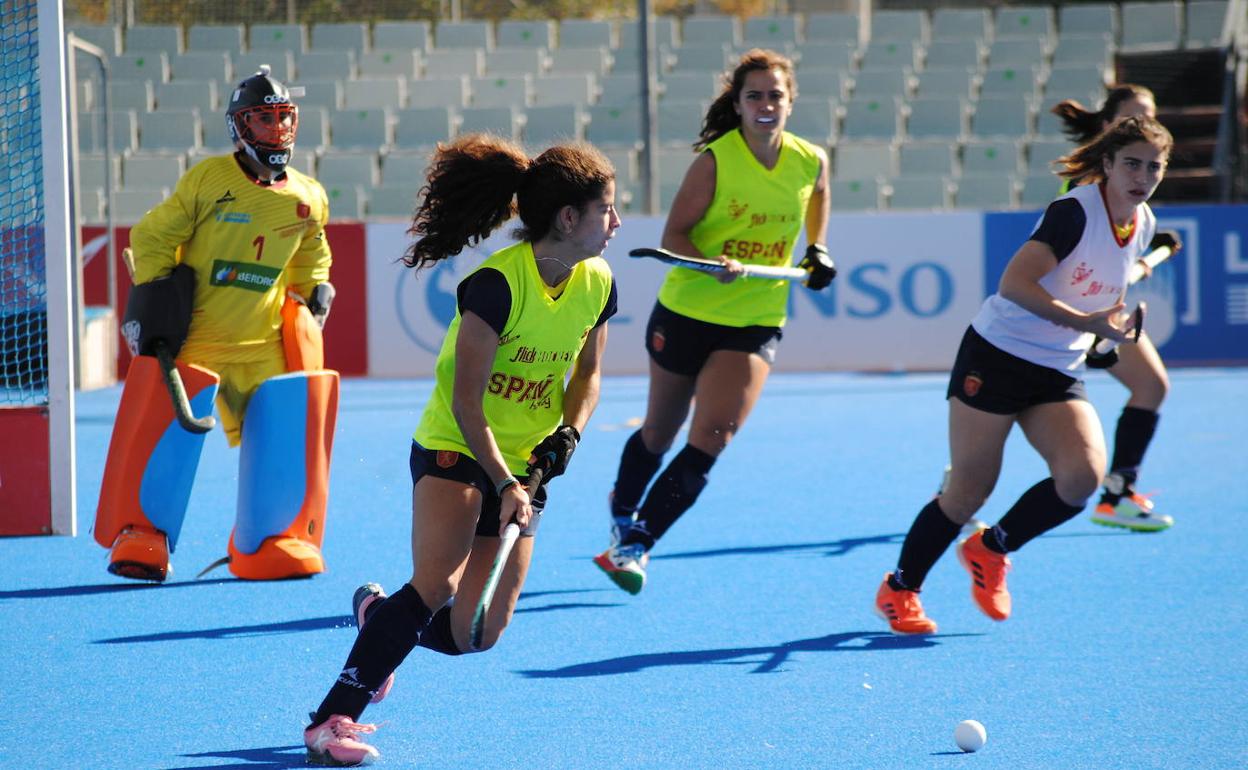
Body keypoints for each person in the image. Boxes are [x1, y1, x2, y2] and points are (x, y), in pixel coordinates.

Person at [302, 134, 620, 766]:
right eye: (607, 208)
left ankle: (381, 620)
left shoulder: (599, 283)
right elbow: (467, 404)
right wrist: (505, 483)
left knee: (478, 632)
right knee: (435, 584)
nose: (615, 222)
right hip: (458, 446)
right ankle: (331, 718)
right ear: (567, 218)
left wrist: (569, 433)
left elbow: (586, 377)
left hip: (526, 465)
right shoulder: (496, 287)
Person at [873, 116, 1174, 634]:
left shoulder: (1142, 222)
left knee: (1080, 479)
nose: (1142, 176)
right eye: (1131, 163)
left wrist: (1107, 331)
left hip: (1057, 367)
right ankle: (900, 589)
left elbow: (1102, 295)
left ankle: (991, 548)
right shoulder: (1073, 213)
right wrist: (1086, 323)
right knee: (968, 491)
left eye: (1154, 166)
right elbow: (1014, 283)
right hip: (998, 355)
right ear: (1106, 164)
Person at [593, 48, 835, 596]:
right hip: (687, 312)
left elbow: (819, 196)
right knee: (660, 432)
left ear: (790, 101)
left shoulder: (810, 160)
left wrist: (818, 247)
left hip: (756, 318)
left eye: (776, 95)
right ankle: (623, 506)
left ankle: (633, 545)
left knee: (714, 436)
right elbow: (673, 237)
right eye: (755, 96)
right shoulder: (715, 162)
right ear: (739, 103)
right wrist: (711, 264)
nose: (766, 105)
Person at [93, 65, 339, 582]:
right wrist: (151, 307)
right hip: (198, 341)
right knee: (168, 436)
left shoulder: (309, 196)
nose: (276, 130)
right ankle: (142, 534)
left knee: (281, 439)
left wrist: (315, 294)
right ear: (239, 127)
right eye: (263, 119)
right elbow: (154, 236)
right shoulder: (209, 180)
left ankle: (269, 541)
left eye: (283, 118)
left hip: (264, 345)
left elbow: (312, 257)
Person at [1050, 84, 1181, 531]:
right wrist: (1149, 259)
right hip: (1067, 319)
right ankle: (960, 486)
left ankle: (1117, 493)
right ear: (1109, 129)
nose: (1147, 124)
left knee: (1151, 387)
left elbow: (1119, 268)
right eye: (1133, 118)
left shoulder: (1135, 189)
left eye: (1152, 115)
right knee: (1017, 408)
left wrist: (1147, 255)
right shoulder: (1091, 188)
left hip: (1101, 315)